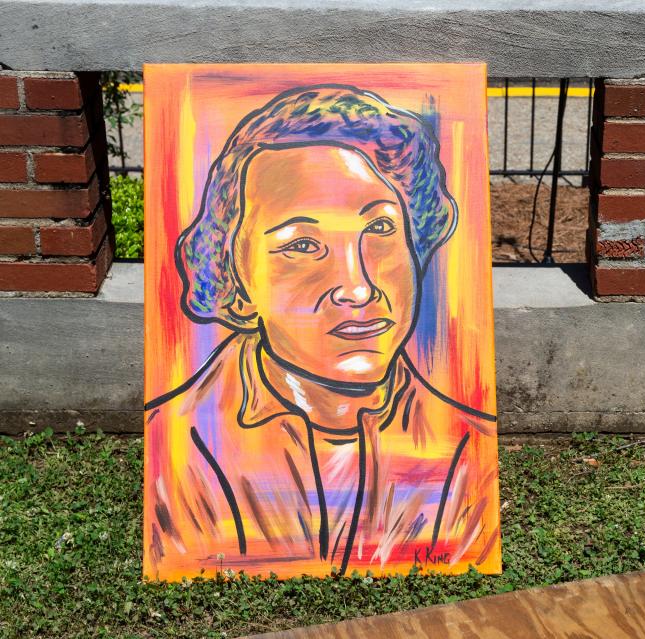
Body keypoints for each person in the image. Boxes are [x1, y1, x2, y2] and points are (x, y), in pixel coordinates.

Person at [143, 85, 500, 581]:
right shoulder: (177, 448)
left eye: (379, 230)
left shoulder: (468, 451)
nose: (358, 288)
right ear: (237, 281)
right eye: (304, 245)